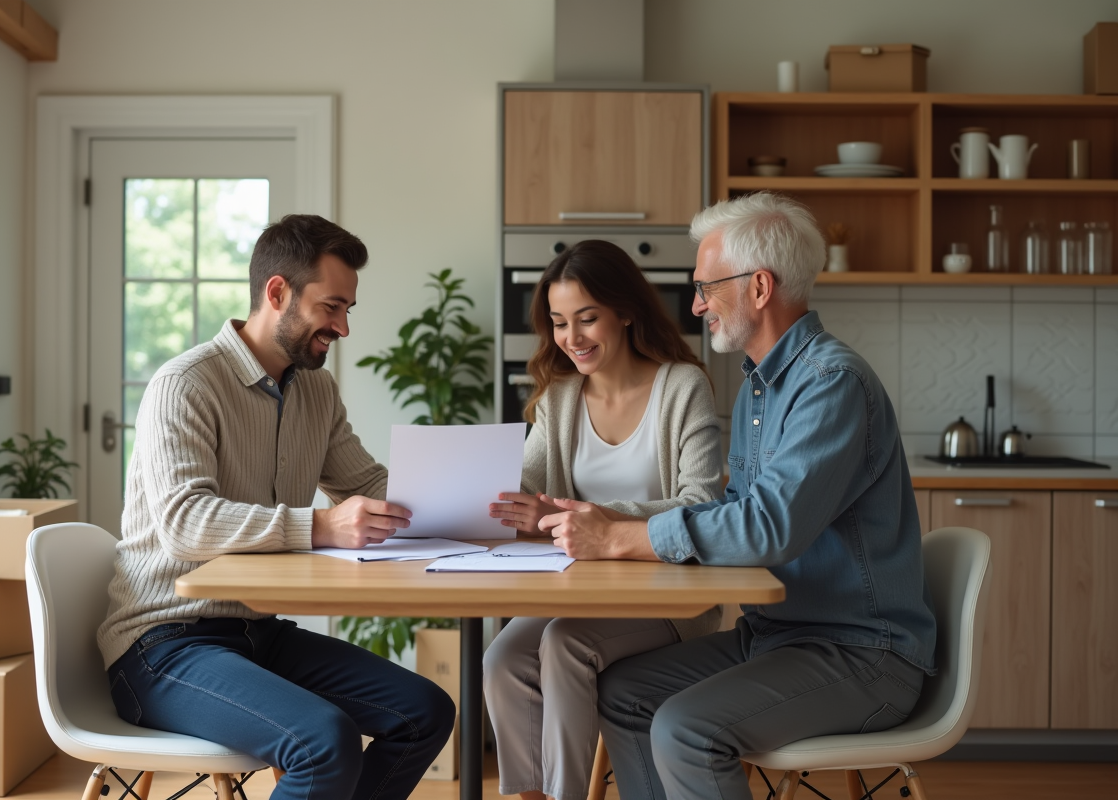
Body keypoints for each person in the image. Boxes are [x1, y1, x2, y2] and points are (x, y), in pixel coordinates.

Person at [537, 194, 937, 800]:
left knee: (685, 727)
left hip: (862, 653)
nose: (697, 305)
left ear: (758, 287)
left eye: (706, 287)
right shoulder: (760, 386)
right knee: (624, 693)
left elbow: (769, 528)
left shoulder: (830, 384)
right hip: (779, 636)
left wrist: (622, 535)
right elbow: (730, 512)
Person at [97, 215, 455, 800]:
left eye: (348, 311)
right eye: (332, 307)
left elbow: (364, 484)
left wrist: (472, 502)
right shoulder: (185, 384)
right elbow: (186, 524)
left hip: (255, 632)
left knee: (425, 711)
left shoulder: (316, 390)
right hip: (162, 644)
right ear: (277, 292)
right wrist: (322, 526)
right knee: (322, 742)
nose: (342, 327)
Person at [484, 240, 724, 800]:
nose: (572, 338)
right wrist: (485, 496)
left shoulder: (681, 388)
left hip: (671, 595)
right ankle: (533, 795)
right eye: (560, 322)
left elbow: (703, 504)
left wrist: (603, 520)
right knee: (502, 658)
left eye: (587, 318)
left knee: (566, 644)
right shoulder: (560, 400)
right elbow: (526, 486)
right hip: (582, 591)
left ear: (625, 310)